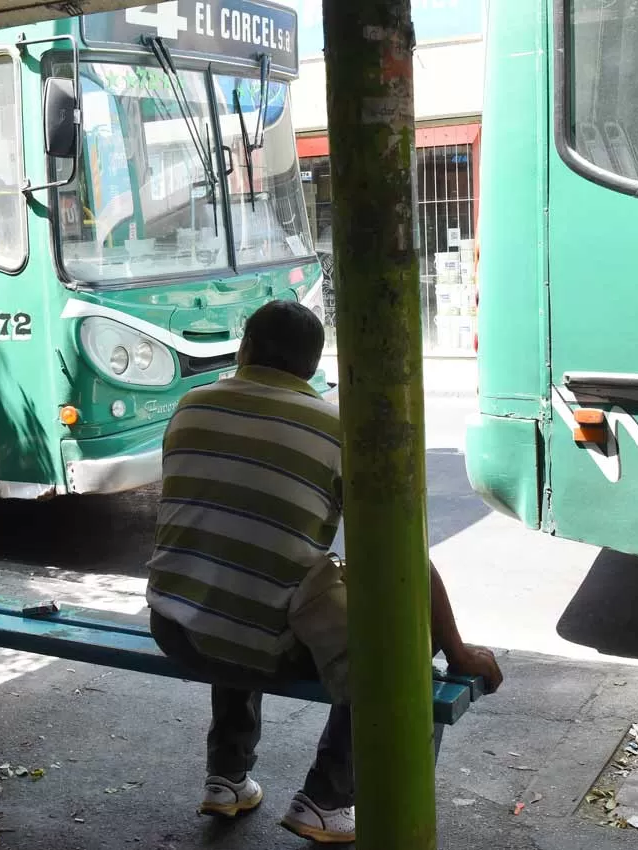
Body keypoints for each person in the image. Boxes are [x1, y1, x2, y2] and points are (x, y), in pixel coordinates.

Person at [146, 299, 504, 844]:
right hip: (257, 642)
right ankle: (326, 798)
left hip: (173, 627)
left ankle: (227, 777)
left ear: (243, 349)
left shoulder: (191, 406)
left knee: (235, 580)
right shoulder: (336, 428)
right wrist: (456, 650)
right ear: (313, 368)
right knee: (396, 653)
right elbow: (396, 557)